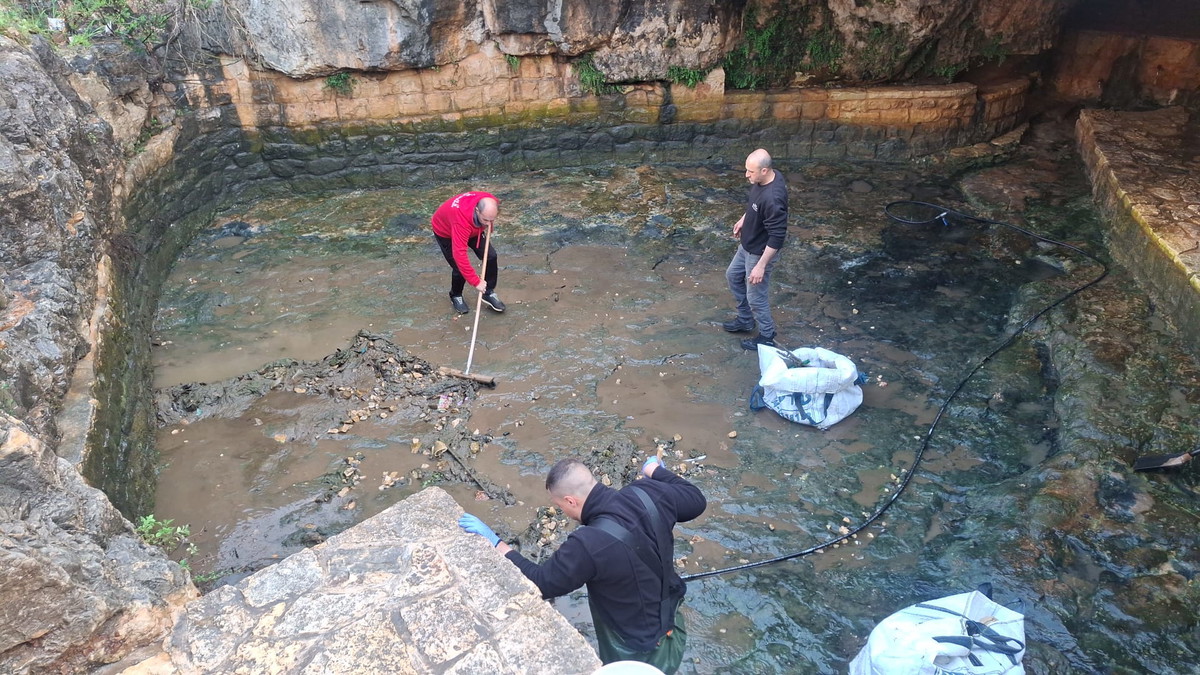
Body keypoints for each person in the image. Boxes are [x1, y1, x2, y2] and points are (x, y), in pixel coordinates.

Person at [458, 457, 706, 674]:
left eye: (560, 505)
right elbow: (697, 500)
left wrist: (497, 542)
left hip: (636, 648)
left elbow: (541, 583)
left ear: (571, 501)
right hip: (673, 621)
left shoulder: (587, 544)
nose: (562, 511)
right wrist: (655, 471)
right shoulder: (648, 491)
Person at [723, 148, 789, 350]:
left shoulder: (773, 198)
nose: (746, 175)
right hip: (747, 244)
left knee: (756, 297)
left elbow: (777, 236)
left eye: (750, 172)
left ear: (764, 170)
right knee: (732, 276)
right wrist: (744, 219)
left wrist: (761, 266)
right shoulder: (764, 179)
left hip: (759, 252)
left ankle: (767, 336)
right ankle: (745, 320)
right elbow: (755, 204)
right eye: (747, 170)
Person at [431, 191, 507, 314]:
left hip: (473, 227)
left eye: (492, 220)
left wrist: (488, 223)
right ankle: (456, 295)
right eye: (486, 220)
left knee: (491, 257)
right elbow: (459, 255)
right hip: (446, 232)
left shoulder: (491, 201)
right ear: (477, 210)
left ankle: (488, 292)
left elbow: (488, 218)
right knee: (458, 268)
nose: (488, 223)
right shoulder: (460, 221)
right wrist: (476, 282)